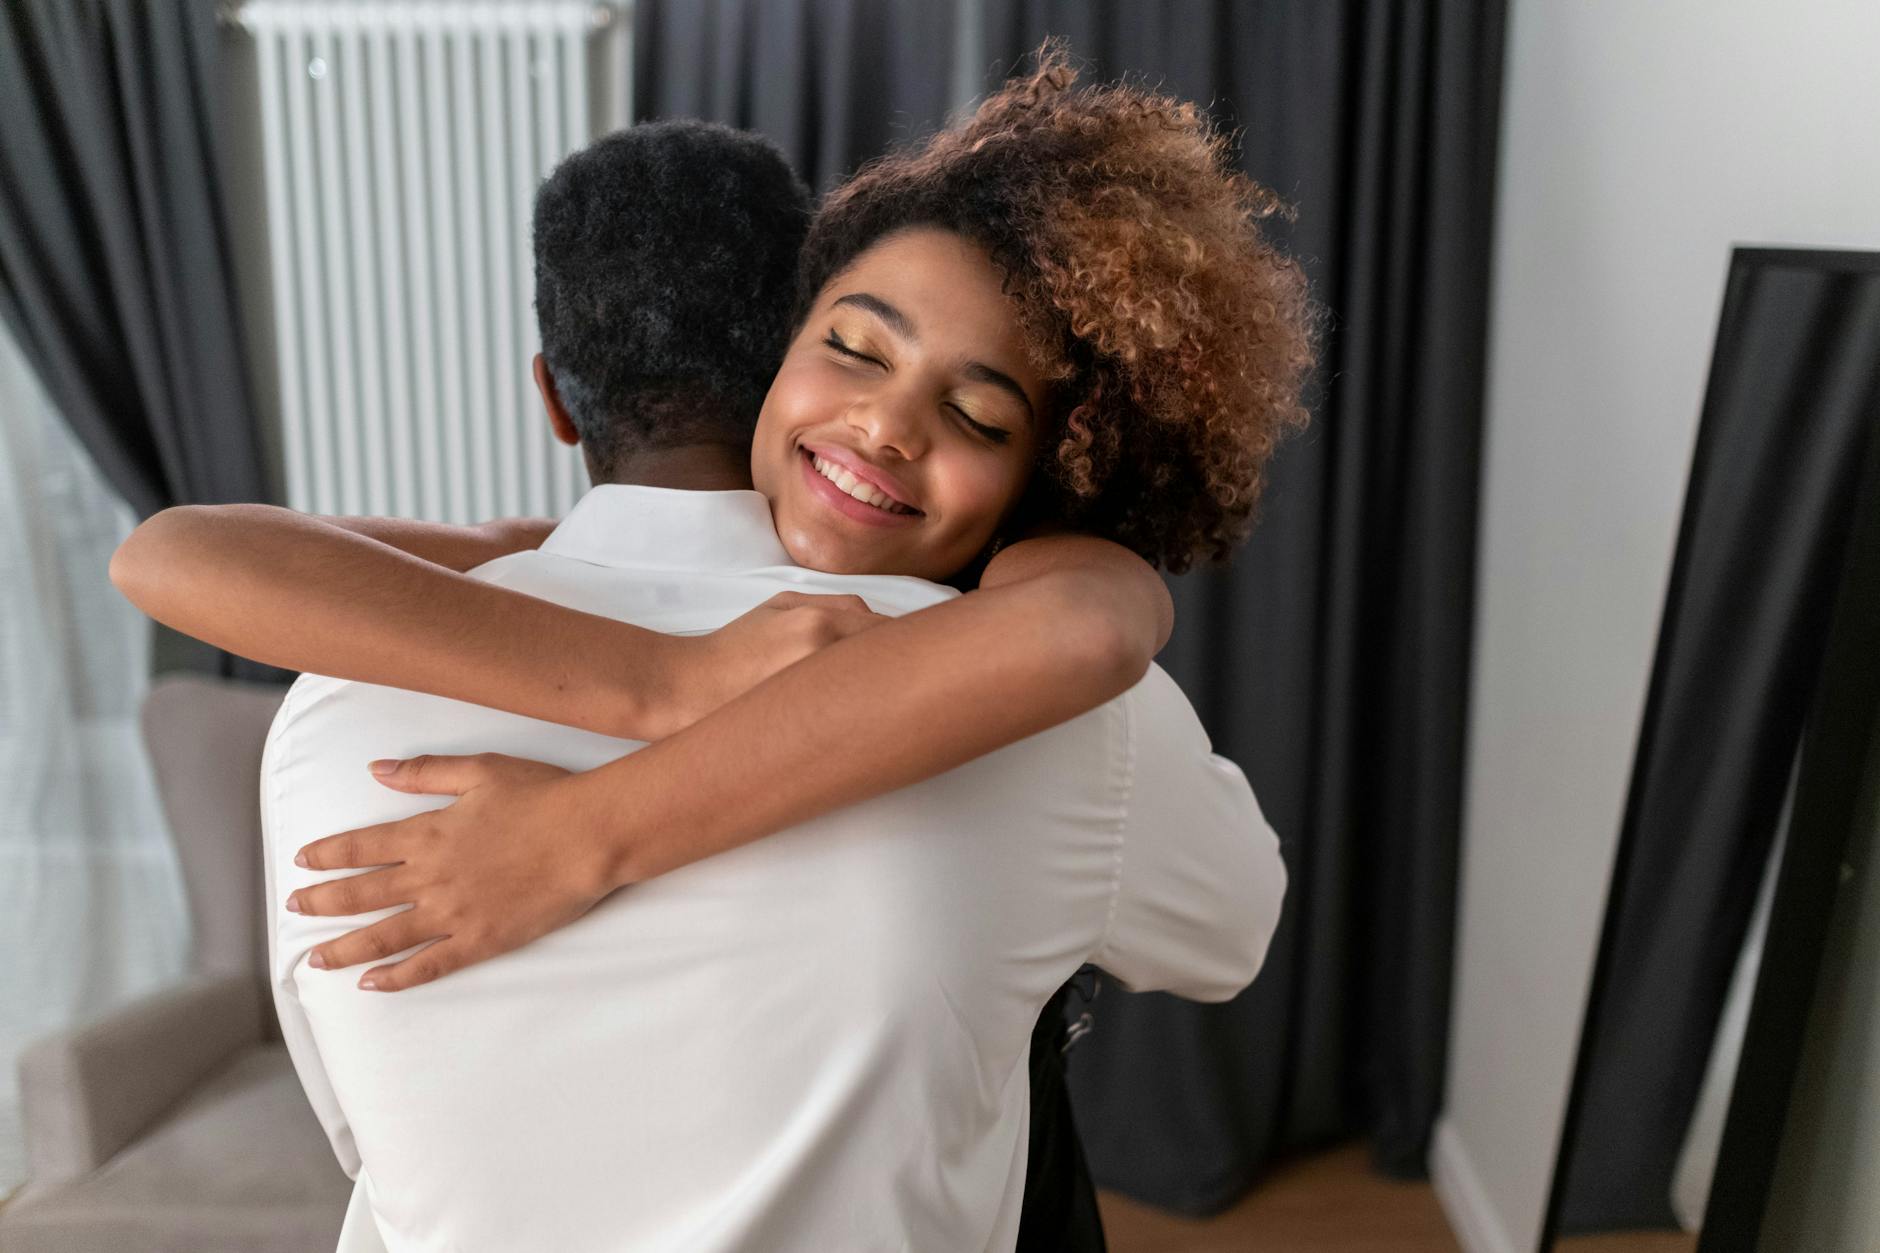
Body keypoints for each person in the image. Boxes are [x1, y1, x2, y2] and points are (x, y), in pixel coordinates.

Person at [113, 48, 1311, 1251]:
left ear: (555, 397)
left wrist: (586, 824)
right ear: (777, 357)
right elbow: (1227, 929)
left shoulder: (336, 701)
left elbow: (363, 1139)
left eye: (980, 414)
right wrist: (666, 679)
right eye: (856, 347)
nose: (885, 425)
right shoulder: (1077, 722)